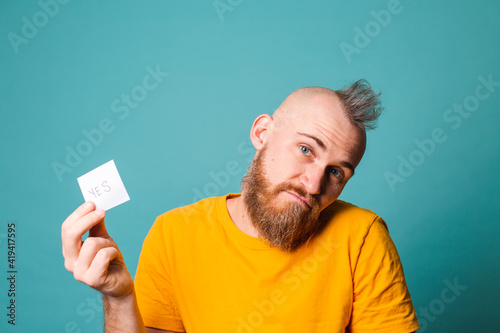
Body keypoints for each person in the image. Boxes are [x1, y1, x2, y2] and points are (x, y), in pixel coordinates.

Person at [61, 80, 420, 332]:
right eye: (306, 150)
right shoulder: (174, 234)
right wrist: (120, 298)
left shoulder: (361, 236)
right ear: (262, 133)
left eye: (337, 173)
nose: (313, 185)